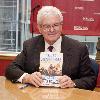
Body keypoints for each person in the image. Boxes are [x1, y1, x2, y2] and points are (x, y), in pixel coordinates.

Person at [5, 6, 96, 90]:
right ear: (39, 28)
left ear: (61, 25)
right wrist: (27, 77)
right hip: (36, 96)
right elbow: (11, 69)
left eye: (55, 25)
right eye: (47, 26)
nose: (52, 30)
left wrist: (73, 83)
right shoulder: (30, 45)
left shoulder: (79, 48)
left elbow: (90, 79)